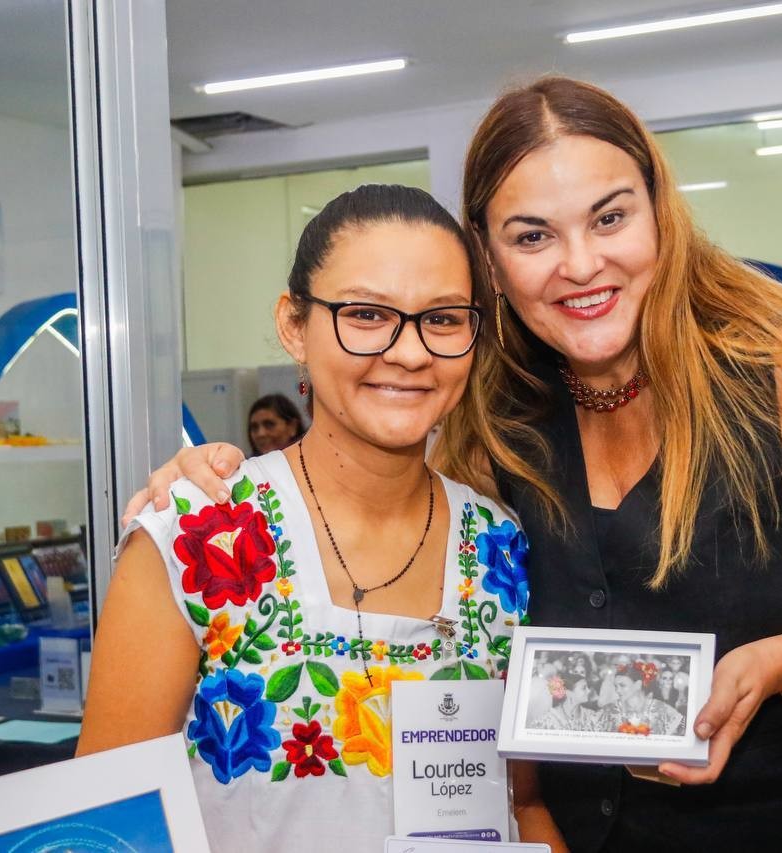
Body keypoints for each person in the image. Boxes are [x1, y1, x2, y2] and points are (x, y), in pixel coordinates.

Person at [129, 77, 782, 851]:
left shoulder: (779, 366)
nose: (581, 264)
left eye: (611, 217)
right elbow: (371, 461)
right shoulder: (494, 408)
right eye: (533, 234)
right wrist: (213, 483)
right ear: (490, 259)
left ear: (659, 208)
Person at [79, 185, 529, 852]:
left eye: (442, 318)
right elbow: (103, 823)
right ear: (294, 324)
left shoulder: (501, 548)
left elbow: (524, 797)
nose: (409, 352)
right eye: (368, 313)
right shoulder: (199, 531)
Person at [599, 662, 684, 736]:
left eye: (622, 685)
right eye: (616, 686)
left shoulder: (663, 710)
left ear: (638, 685)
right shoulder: (607, 711)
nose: (617, 690)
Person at [532, 669, 602, 732]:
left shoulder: (592, 716)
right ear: (568, 692)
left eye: (588, 687)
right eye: (584, 688)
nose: (589, 690)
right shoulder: (549, 720)